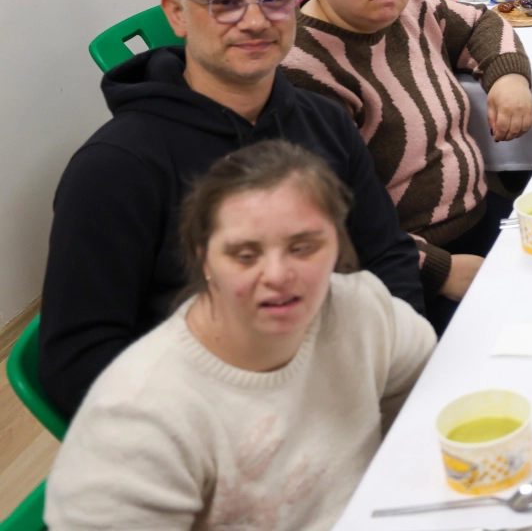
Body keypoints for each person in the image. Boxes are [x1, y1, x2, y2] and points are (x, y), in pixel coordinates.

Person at [40, 0, 423, 416]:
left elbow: (387, 254)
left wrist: (391, 363)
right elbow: (76, 360)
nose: (255, 22)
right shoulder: (116, 167)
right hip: (213, 424)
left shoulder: (322, 120)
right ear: (177, 14)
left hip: (344, 385)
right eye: (224, 3)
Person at [46, 140, 436, 531]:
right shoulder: (138, 416)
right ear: (204, 259)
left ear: (337, 242)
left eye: (302, 247)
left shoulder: (363, 311)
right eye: (245, 255)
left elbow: (431, 403)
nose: (278, 276)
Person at [285, 0, 532, 332]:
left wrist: (508, 76)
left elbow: (482, 21)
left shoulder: (411, 8)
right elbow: (334, 220)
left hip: (478, 217)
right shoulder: (306, 73)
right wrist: (438, 271)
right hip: (403, 266)